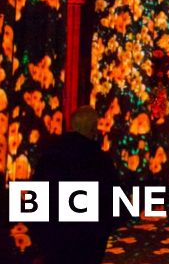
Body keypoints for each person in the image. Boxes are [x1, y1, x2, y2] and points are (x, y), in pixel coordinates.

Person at [33, 105, 120, 264]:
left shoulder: (51, 155)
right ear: (93, 129)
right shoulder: (99, 160)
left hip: (55, 236)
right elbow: (112, 199)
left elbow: (38, 194)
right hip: (88, 239)